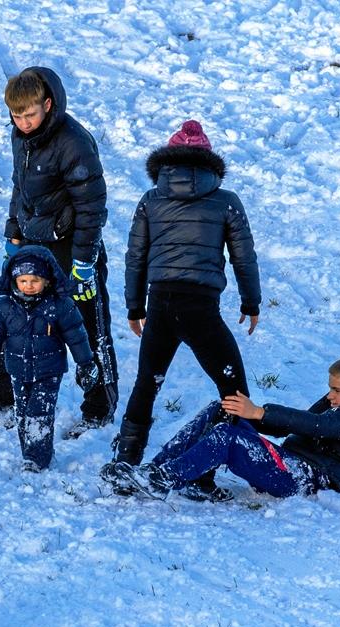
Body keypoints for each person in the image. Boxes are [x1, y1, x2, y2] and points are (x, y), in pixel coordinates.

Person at [0, 66, 118, 437]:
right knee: (16, 318)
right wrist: (13, 235)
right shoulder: (22, 136)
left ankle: (100, 408)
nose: (23, 122)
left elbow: (92, 206)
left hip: (71, 247)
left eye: (29, 114)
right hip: (35, 243)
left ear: (47, 105)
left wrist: (85, 262)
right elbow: (20, 187)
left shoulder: (73, 142)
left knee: (87, 326)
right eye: (16, 116)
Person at [111, 120, 262, 486]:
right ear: (209, 162)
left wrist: (135, 306)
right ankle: (205, 472)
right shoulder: (226, 201)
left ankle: (124, 464)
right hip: (201, 308)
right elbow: (244, 256)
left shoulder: (151, 199)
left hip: (160, 302)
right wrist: (250, 301)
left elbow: (136, 256)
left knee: (146, 383)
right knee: (233, 390)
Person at [100, 356, 340, 501]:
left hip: (312, 478)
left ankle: (164, 481)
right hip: (294, 461)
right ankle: (154, 472)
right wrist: (252, 416)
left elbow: (316, 425)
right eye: (329, 388)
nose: (329, 395)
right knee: (223, 411)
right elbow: (302, 424)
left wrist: (260, 412)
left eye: (336, 391)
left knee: (228, 438)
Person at [0, 246, 99, 471]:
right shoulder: (4, 307)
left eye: (35, 280)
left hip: (49, 371)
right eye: (23, 281)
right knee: (22, 412)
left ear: (47, 281)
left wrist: (85, 363)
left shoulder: (59, 306)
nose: (28, 286)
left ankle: (37, 458)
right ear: (14, 281)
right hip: (17, 369)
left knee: (39, 412)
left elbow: (76, 336)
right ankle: (29, 451)